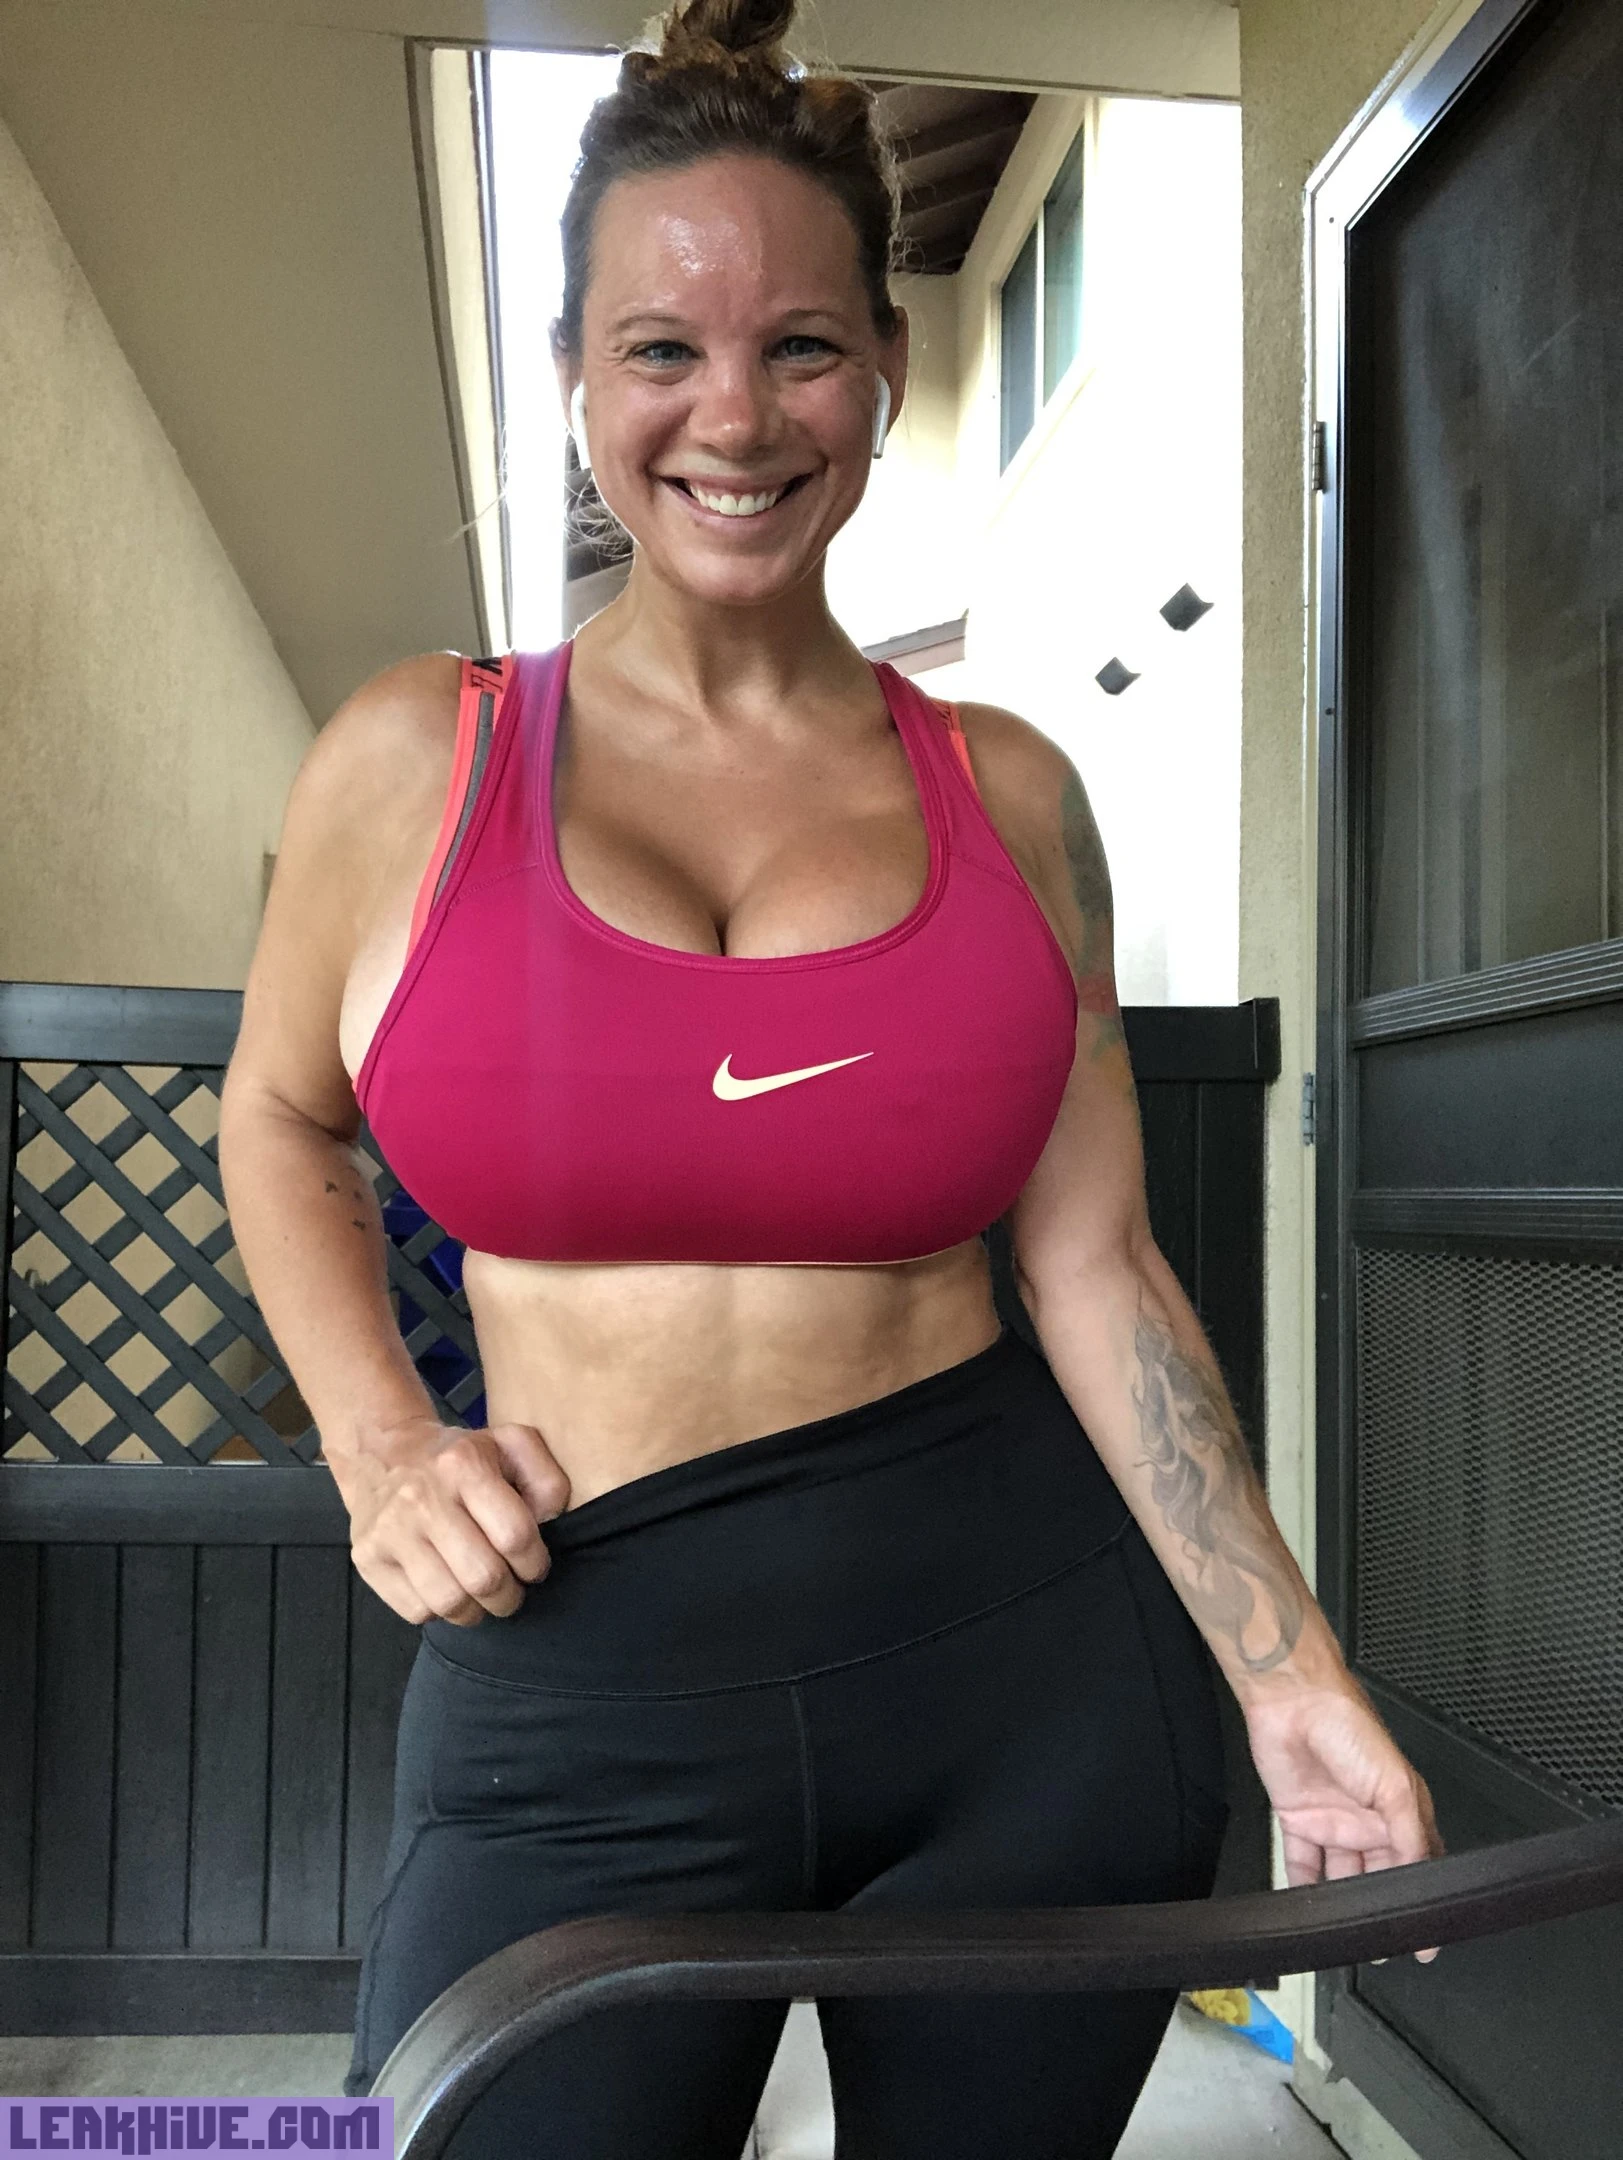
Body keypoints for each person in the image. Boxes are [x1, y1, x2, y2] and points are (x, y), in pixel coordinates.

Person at [218, 1, 1441, 2151]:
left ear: (880, 366)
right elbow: (279, 1119)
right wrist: (381, 1444)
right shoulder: (414, 758)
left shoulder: (1014, 796)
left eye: (799, 346)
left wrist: (1287, 1672)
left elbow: (1096, 1267)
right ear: (576, 375)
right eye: (660, 349)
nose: (733, 415)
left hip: (1024, 1678)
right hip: (577, 1689)